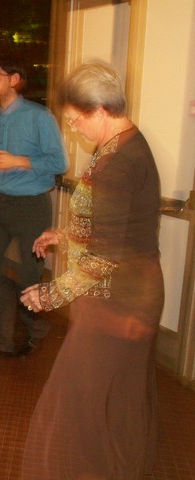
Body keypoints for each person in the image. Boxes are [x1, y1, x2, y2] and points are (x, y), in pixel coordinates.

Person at [19, 63, 164, 479]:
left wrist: (48, 294)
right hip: (131, 294)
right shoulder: (125, 144)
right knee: (115, 401)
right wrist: (66, 236)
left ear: (100, 110)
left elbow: (105, 256)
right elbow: (118, 228)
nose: (74, 129)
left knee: (77, 402)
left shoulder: (118, 161)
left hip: (118, 303)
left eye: (75, 120)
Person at [0, 54, 67, 363]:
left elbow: (59, 162)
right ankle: (1, 341)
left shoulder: (39, 117)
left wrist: (18, 161)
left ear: (14, 80)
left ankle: (35, 330)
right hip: (0, 202)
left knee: (28, 275)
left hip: (32, 205)